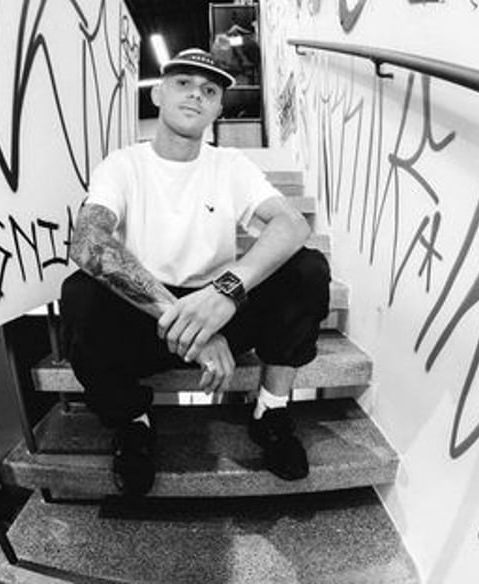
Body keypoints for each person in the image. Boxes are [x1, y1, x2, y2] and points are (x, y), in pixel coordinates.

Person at [61, 48, 330, 497]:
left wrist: (225, 292)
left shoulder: (230, 165)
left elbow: (292, 224)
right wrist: (192, 328)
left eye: (209, 90)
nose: (195, 95)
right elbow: (88, 243)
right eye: (183, 83)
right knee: (79, 295)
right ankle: (132, 422)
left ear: (218, 108)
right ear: (158, 95)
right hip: (146, 317)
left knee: (308, 269)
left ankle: (271, 411)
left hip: (220, 307)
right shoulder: (123, 164)